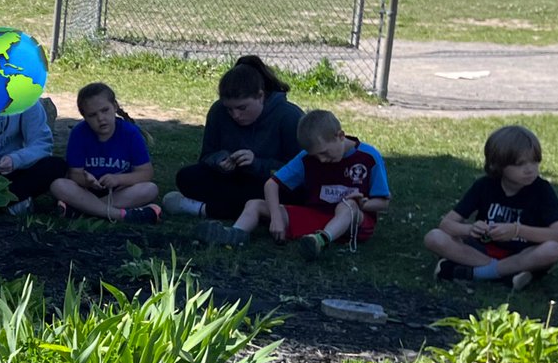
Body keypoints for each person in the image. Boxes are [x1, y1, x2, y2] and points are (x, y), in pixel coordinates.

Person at [197, 108, 389, 258]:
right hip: (316, 215)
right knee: (253, 204)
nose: (321, 160)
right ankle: (233, 235)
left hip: (354, 224)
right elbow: (271, 184)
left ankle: (320, 241)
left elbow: (383, 202)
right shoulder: (307, 157)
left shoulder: (368, 156)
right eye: (316, 156)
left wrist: (364, 203)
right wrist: (276, 218)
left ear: (340, 136)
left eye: (324, 153)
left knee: (347, 206)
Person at [424, 124, 558, 292]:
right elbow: (446, 225)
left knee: (553, 249)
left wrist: (517, 230)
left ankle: (472, 272)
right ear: (497, 165)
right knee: (434, 237)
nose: (530, 169)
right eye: (520, 164)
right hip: (481, 251)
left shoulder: (542, 189)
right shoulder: (484, 186)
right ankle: (507, 274)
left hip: (522, 253)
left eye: (535, 161)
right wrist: (470, 229)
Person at [164, 55, 303, 220]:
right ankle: (245, 211)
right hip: (232, 179)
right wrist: (220, 160)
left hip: (269, 183)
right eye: (229, 109)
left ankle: (203, 209)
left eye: (242, 108)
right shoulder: (218, 111)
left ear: (260, 96)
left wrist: (256, 163)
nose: (236, 115)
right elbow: (206, 156)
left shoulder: (289, 116)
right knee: (187, 177)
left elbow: (300, 172)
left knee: (292, 195)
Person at [49, 83, 160, 223]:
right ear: (84, 116)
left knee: (150, 189)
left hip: (119, 191)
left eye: (105, 110)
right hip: (87, 190)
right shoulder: (79, 133)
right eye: (92, 115)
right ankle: (121, 215)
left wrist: (118, 179)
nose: (101, 118)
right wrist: (87, 181)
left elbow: (145, 173)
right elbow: (74, 174)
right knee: (58, 185)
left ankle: (81, 209)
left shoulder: (130, 133)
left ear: (115, 106)